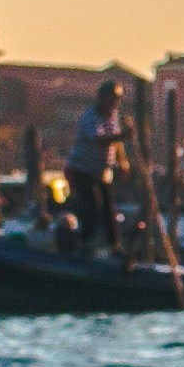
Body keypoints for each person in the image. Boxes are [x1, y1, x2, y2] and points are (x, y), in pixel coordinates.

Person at [67, 78, 119, 252]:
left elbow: (115, 140)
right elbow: (99, 140)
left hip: (101, 172)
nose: (116, 103)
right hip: (82, 170)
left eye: (118, 99)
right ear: (103, 98)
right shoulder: (90, 117)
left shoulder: (112, 116)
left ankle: (114, 246)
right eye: (113, 98)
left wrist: (123, 161)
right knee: (91, 207)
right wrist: (123, 136)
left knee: (108, 209)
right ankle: (84, 245)